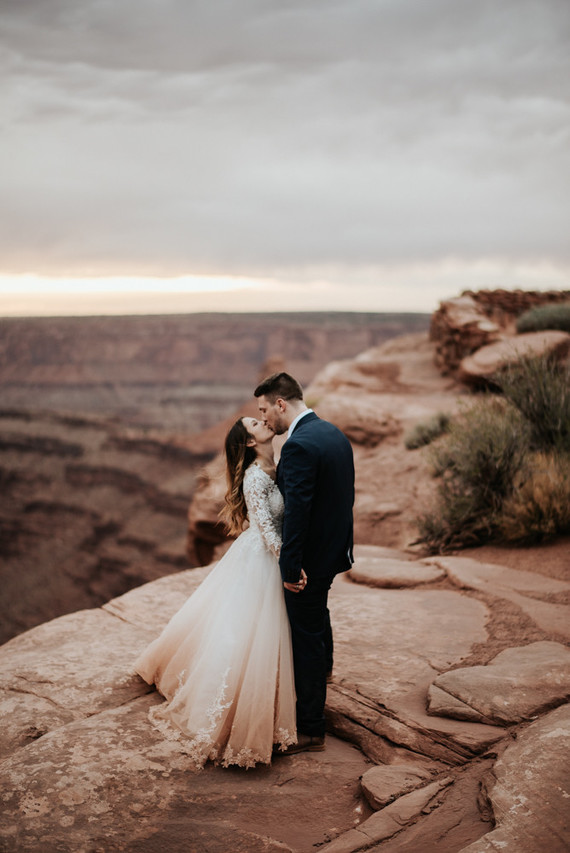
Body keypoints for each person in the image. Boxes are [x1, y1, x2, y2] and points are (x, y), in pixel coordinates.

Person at [133, 416, 297, 769]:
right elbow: (267, 529)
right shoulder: (255, 475)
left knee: (260, 635)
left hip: (265, 555)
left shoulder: (277, 464)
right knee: (245, 635)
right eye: (255, 422)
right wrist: (292, 565)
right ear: (250, 441)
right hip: (264, 559)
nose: (264, 420)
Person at [254, 372, 355, 754]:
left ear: (282, 404)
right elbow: (343, 500)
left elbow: (297, 514)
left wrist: (290, 568)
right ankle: (325, 670)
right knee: (318, 616)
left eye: (265, 410)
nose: (264, 420)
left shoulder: (297, 446)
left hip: (309, 562)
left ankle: (311, 728)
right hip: (331, 553)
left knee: (305, 636)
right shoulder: (332, 433)